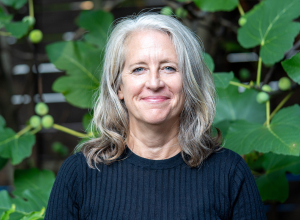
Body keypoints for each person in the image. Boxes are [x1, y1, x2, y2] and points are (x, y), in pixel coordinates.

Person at [45, 13, 267, 219]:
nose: (154, 83)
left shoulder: (229, 173)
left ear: (189, 83)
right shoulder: (79, 174)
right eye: (138, 69)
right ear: (118, 87)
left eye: (169, 68)